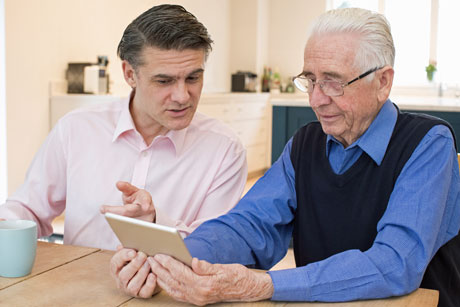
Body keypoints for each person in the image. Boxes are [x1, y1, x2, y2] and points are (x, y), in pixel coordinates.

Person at [109, 7, 460, 307]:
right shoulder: (305, 144)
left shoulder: (429, 143)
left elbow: (395, 263)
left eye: (334, 82)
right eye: (311, 80)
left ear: (383, 82)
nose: (317, 99)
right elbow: (249, 225)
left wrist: (265, 286)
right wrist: (175, 257)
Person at [0, 4, 247, 250]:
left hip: (170, 288)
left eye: (193, 78)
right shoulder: (76, 129)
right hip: (75, 284)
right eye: (164, 81)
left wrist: (155, 223)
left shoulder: (224, 149)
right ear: (130, 74)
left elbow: (215, 248)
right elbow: (29, 208)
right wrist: (6, 223)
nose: (183, 96)